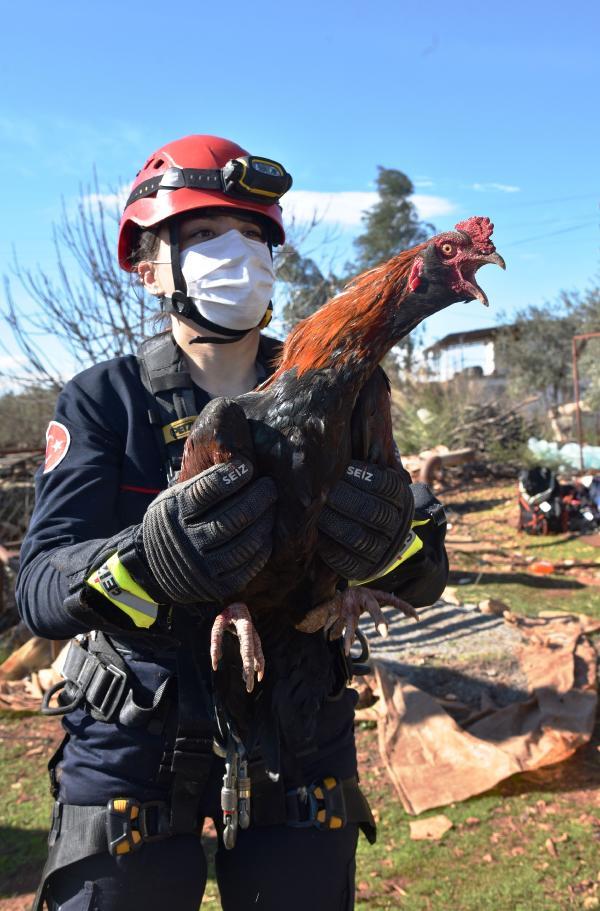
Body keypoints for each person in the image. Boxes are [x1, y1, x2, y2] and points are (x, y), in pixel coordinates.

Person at [17, 134, 449, 911]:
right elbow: (42, 584)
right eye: (207, 233)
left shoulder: (340, 383)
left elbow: (424, 563)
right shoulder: (102, 401)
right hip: (135, 744)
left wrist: (389, 550)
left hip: (300, 735)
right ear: (149, 267)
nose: (239, 253)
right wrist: (150, 555)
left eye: (256, 235)